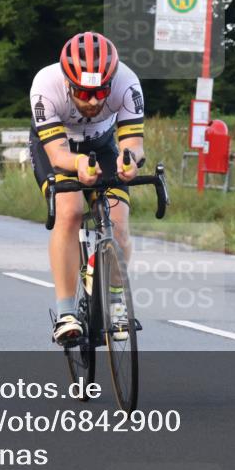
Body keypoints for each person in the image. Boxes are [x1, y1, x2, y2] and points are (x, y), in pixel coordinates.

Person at [29, 32, 145, 345]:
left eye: (101, 92)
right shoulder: (45, 85)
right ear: (68, 83)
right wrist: (78, 164)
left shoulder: (127, 82)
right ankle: (66, 313)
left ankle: (116, 302)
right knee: (70, 211)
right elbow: (58, 155)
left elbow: (133, 143)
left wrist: (130, 161)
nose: (93, 101)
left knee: (118, 223)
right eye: (83, 92)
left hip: (103, 146)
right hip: (58, 146)